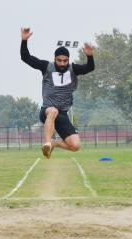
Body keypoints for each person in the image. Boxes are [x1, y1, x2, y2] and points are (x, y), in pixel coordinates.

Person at [20, 27, 95, 158]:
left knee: (75, 146)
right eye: (59, 60)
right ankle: (47, 143)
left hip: (63, 114)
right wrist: (24, 41)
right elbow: (26, 57)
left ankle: (54, 143)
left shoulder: (73, 69)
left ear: (68, 60)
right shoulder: (46, 67)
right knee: (53, 110)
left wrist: (89, 56)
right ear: (55, 59)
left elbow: (89, 67)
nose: (62, 63)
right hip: (47, 111)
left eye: (65, 61)